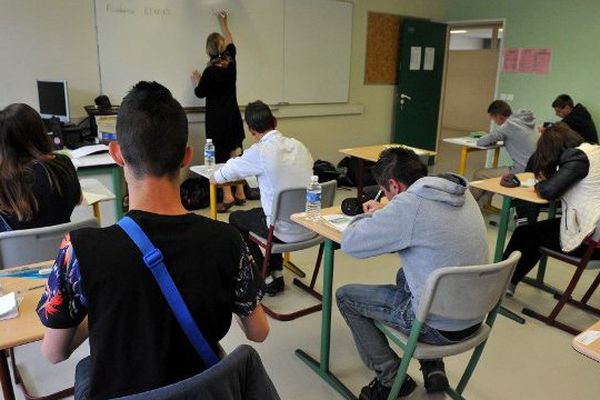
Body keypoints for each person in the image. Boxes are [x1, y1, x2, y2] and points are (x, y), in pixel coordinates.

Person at [36, 82, 269, 400]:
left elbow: (54, 353)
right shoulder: (228, 239)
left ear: (116, 152)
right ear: (186, 157)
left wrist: (102, 304)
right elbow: (259, 332)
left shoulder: (78, 251)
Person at [336, 147, 489, 400]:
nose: (385, 198)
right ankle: (433, 367)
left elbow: (352, 243)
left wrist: (370, 215)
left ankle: (390, 378)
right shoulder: (459, 192)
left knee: (346, 297)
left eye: (385, 193)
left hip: (438, 326)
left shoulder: (409, 206)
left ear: (393, 186)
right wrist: (388, 210)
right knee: (404, 275)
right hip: (475, 311)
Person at [214, 100, 314, 296]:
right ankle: (276, 272)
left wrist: (217, 173)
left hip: (281, 230)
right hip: (311, 226)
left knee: (237, 219)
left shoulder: (259, 152)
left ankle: (265, 275)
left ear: (251, 130)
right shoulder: (299, 146)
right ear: (275, 122)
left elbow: (221, 176)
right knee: (263, 214)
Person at [503, 123, 600, 295]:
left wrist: (541, 183)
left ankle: (499, 284)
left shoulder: (578, 157)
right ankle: (510, 282)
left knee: (525, 234)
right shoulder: (594, 152)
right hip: (594, 235)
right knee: (537, 233)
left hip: (591, 243)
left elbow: (548, 191)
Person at [192, 11, 246, 212]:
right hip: (232, 116)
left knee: (221, 159)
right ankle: (240, 193)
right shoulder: (231, 64)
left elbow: (199, 93)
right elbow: (231, 41)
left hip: (216, 120)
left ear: (208, 51)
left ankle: (228, 195)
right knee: (235, 155)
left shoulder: (209, 72)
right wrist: (224, 23)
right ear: (223, 48)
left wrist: (196, 81)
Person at [0, 103, 81, 232]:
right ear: (40, 132)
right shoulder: (63, 164)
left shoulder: (5, 180)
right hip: (61, 249)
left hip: (17, 251)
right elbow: (77, 199)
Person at [470, 100, 538, 207]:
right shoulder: (524, 122)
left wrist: (494, 137)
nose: (494, 122)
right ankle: (478, 208)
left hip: (521, 170)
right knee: (490, 180)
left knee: (479, 174)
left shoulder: (509, 125)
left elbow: (481, 141)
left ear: (499, 116)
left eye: (493, 118)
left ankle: (468, 206)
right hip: (535, 168)